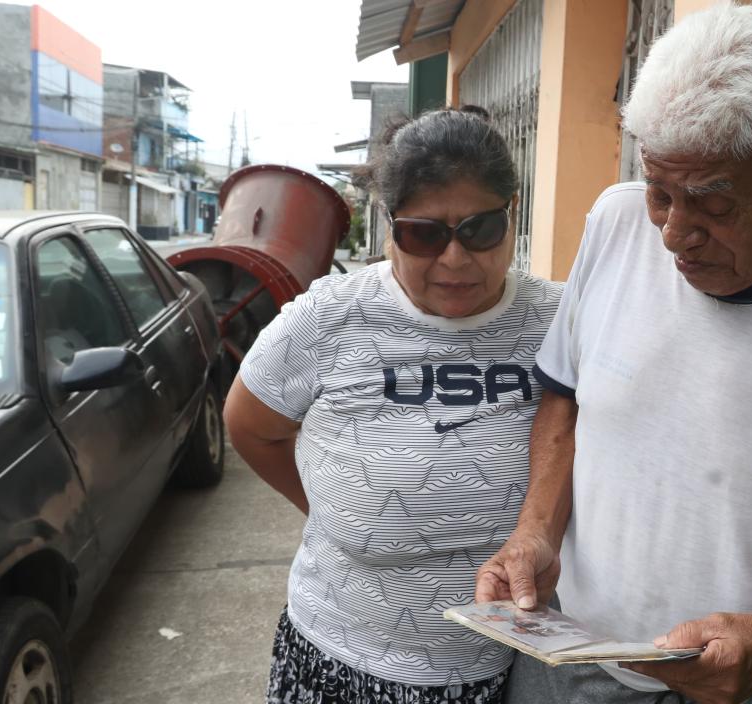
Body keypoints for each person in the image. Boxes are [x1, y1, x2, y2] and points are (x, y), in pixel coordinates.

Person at [475, 4, 752, 704]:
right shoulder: (616, 222)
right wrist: (535, 534)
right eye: (662, 193)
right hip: (568, 664)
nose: (672, 234)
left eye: (713, 206)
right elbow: (565, 396)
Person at [224, 108, 562, 704]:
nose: (455, 261)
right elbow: (250, 425)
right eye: (425, 234)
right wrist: (332, 512)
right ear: (389, 226)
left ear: (512, 215)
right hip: (342, 661)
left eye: (481, 230)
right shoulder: (327, 318)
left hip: (511, 668)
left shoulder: (559, 320)